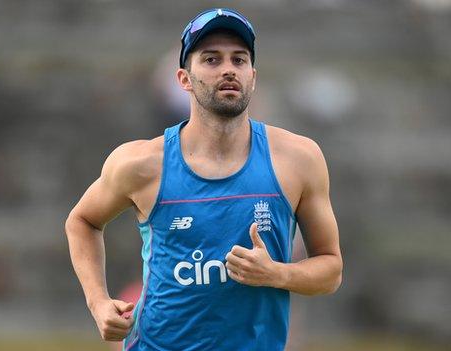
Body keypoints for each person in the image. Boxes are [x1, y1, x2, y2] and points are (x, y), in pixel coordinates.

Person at [65, 8, 342, 351]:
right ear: (184, 78)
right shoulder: (141, 163)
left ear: (252, 77)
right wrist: (98, 302)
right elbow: (83, 220)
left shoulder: (299, 159)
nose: (228, 68)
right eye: (211, 59)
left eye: (238, 60)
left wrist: (277, 274)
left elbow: (331, 270)